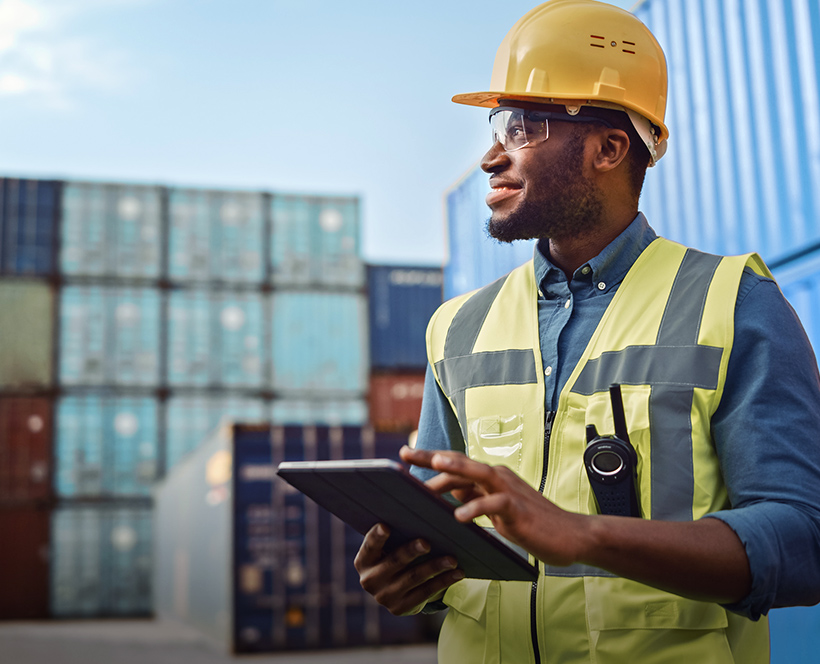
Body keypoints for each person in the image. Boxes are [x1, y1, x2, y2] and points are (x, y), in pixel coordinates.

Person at [354, 1, 820, 661]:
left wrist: (584, 534)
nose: (491, 156)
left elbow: (803, 541)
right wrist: (410, 577)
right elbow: (442, 528)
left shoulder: (736, 303)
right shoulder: (455, 329)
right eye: (497, 125)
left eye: (520, 127)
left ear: (609, 147)